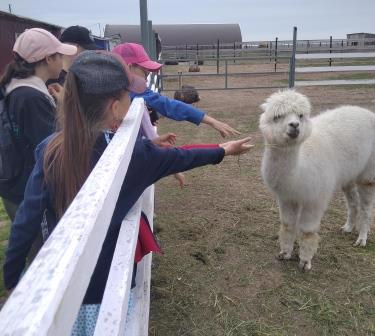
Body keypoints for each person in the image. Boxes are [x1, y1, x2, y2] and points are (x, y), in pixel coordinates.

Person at [3, 51, 252, 335]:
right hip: (106, 287)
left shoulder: (50, 149)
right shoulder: (133, 156)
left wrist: (12, 277)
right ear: (114, 107)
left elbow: (26, 218)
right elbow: (183, 157)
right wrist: (222, 150)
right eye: (127, 97)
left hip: (58, 288)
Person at [0, 28, 77, 221]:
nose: (63, 61)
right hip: (29, 192)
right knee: (42, 248)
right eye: (59, 55)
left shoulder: (18, 87)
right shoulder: (31, 97)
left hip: (16, 187)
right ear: (48, 59)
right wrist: (65, 109)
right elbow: (52, 148)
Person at [112, 42, 241, 138]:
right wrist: (212, 121)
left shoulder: (117, 92)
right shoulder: (135, 92)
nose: (146, 80)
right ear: (129, 68)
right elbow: (169, 106)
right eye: (145, 74)